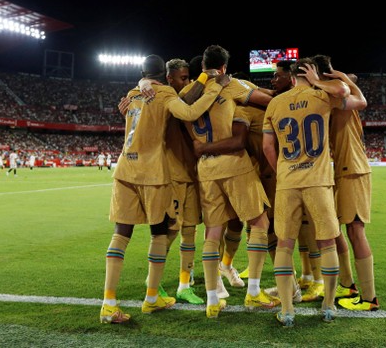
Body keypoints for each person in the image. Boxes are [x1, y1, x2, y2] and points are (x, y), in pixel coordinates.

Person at [100, 54, 230, 324]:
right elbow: (191, 112)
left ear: (143, 72)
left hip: (125, 169)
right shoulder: (163, 94)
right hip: (152, 172)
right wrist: (214, 87)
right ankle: (150, 298)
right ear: (164, 76)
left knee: (121, 233)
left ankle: (108, 302)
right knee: (160, 232)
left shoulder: (134, 92)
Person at [262, 59, 367, 327]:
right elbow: (354, 99)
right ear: (310, 73)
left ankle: (287, 310)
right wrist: (323, 81)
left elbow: (267, 147)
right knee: (327, 242)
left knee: (285, 244)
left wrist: (283, 171)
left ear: (291, 76)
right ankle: (329, 305)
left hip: (288, 182)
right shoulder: (322, 96)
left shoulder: (275, 104)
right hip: (318, 181)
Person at [179, 44, 279, 319]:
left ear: (201, 67)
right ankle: (254, 292)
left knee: (212, 232)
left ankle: (212, 299)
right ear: (223, 67)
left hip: (206, 170)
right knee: (260, 223)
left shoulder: (187, 93)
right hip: (234, 163)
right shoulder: (230, 85)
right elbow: (269, 101)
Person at [310, 54, 379, 312]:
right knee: (335, 229)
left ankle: (370, 299)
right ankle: (348, 285)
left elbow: (357, 97)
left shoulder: (339, 96)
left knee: (355, 231)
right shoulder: (330, 96)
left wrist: (331, 78)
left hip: (353, 170)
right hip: (341, 170)